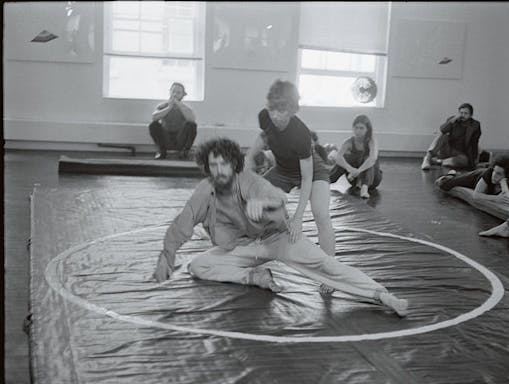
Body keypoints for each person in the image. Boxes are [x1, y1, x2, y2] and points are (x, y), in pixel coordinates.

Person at [152, 137, 408, 316]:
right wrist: (167, 253)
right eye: (213, 165)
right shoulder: (205, 190)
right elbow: (183, 222)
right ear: (206, 167)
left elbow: (278, 198)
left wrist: (261, 203)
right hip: (245, 246)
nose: (219, 170)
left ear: (233, 164)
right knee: (198, 265)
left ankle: (381, 295)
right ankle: (254, 277)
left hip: (278, 238)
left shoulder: (248, 180)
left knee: (325, 264)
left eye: (224, 164)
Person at [245, 80, 335, 257]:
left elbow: (306, 178)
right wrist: (249, 155)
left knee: (321, 213)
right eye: (272, 109)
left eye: (282, 111)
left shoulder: (300, 133)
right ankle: (263, 239)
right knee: (252, 196)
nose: (275, 116)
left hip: (312, 172)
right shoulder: (265, 116)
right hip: (283, 169)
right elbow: (265, 135)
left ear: (293, 110)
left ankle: (331, 269)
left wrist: (298, 218)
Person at [435, 155, 509, 205]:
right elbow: (476, 195)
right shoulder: (489, 173)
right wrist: (496, 198)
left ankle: (456, 174)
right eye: (494, 171)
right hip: (475, 177)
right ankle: (451, 174)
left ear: (507, 177)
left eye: (498, 174)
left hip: (500, 179)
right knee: (443, 183)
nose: (494, 176)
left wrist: (503, 184)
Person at [329, 115, 383, 199]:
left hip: (372, 180)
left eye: (361, 128)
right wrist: (349, 168)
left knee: (367, 158)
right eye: (356, 128)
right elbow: (338, 157)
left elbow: (372, 159)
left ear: (367, 129)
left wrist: (358, 171)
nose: (358, 131)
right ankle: (326, 180)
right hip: (354, 179)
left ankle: (364, 188)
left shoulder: (371, 141)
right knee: (345, 157)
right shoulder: (349, 141)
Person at [421, 103, 482, 170]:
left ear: (471, 115)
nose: (463, 115)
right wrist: (451, 121)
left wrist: (475, 159)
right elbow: (442, 130)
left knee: (463, 161)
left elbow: (474, 143)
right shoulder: (453, 120)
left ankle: (439, 162)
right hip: (449, 148)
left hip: (461, 153)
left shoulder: (475, 125)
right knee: (443, 136)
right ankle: (427, 159)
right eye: (461, 113)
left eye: (466, 113)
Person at [149, 82, 197, 160]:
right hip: (165, 138)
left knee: (191, 125)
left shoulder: (186, 108)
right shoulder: (162, 106)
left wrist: (179, 105)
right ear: (170, 92)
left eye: (178, 92)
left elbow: (192, 120)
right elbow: (154, 117)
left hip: (180, 139)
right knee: (153, 124)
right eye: (173, 91)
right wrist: (169, 108)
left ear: (183, 95)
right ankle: (162, 152)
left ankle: (184, 152)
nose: (175, 94)